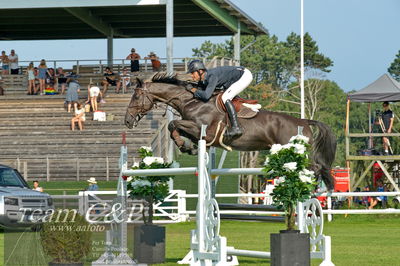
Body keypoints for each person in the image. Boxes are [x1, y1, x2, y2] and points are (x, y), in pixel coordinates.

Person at [187, 60, 253, 140]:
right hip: (234, 78)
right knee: (225, 94)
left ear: (200, 71)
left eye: (192, 73)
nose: (191, 76)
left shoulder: (212, 76)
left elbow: (206, 96)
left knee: (225, 97)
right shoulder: (205, 78)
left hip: (244, 76)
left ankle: (236, 127)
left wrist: (193, 90)